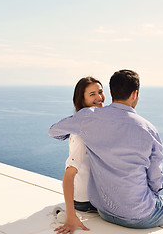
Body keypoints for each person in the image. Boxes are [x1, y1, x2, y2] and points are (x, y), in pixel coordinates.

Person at [49, 70, 163, 229]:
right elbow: (156, 181)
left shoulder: (88, 117)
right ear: (135, 94)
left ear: (110, 93)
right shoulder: (148, 129)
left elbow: (54, 131)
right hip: (138, 215)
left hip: (104, 210)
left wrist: (80, 129)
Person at [54, 77, 105, 234]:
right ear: (82, 100)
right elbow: (69, 174)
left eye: (100, 92)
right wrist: (71, 215)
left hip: (95, 197)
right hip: (86, 202)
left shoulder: (99, 123)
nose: (99, 97)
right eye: (92, 94)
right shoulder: (80, 133)